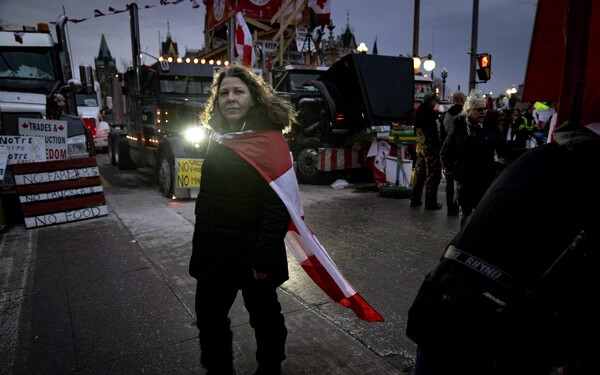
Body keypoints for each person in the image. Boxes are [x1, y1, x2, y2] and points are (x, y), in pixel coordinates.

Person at [406, 121, 600, 375]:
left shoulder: (540, 156)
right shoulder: (587, 178)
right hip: (493, 333)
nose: (483, 112)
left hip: (441, 304)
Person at [188, 64, 297, 375]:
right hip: (214, 252)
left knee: (265, 319)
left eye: (238, 91)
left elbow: (278, 205)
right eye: (223, 93)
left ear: (253, 97)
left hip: (253, 254)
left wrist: (263, 258)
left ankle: (270, 369)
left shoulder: (269, 141)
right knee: (209, 319)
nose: (230, 98)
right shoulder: (218, 138)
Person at [440, 90, 518, 228]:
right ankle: (463, 246)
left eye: (485, 109)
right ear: (469, 110)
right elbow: (445, 154)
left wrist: (529, 153)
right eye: (479, 109)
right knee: (465, 215)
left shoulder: (490, 129)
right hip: (466, 182)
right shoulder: (459, 128)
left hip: (486, 180)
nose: (483, 112)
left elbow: (507, 151)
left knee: (484, 216)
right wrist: (456, 173)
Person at [410, 93, 443, 210]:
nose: (436, 102)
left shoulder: (419, 111)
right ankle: (430, 202)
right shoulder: (430, 113)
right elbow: (434, 133)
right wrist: (437, 145)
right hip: (430, 149)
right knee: (433, 175)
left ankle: (415, 199)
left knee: (419, 173)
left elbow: (415, 130)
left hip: (420, 147)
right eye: (435, 100)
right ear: (431, 101)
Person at [439, 91, 465, 216]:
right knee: (461, 180)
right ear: (461, 99)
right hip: (460, 151)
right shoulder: (464, 114)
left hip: (448, 150)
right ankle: (460, 205)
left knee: (450, 181)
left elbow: (442, 135)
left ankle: (451, 207)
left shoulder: (446, 115)